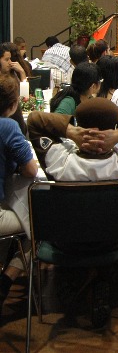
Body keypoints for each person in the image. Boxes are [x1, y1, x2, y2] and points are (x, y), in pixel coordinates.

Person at [28, 98, 118, 327]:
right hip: (113, 242)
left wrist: (70, 131)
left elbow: (34, 120)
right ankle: (102, 277)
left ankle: (75, 276)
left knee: (84, 221)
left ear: (80, 124)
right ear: (113, 125)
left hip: (66, 242)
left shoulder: (58, 161)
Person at [0, 76, 38, 320]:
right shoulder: (7, 127)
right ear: (14, 104)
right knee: (40, 223)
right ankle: (6, 280)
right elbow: (31, 171)